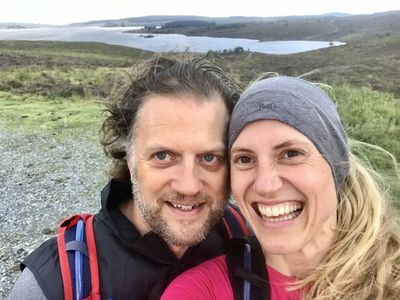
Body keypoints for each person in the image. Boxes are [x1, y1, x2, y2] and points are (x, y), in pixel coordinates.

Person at [7, 54, 246, 300]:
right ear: (128, 157)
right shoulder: (51, 285)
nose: (189, 185)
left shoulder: (247, 241)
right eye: (163, 156)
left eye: (209, 158)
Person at [161, 75, 400, 299]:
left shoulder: (393, 272)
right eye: (244, 159)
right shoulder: (200, 291)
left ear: (337, 165)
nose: (266, 185)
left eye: (291, 154)